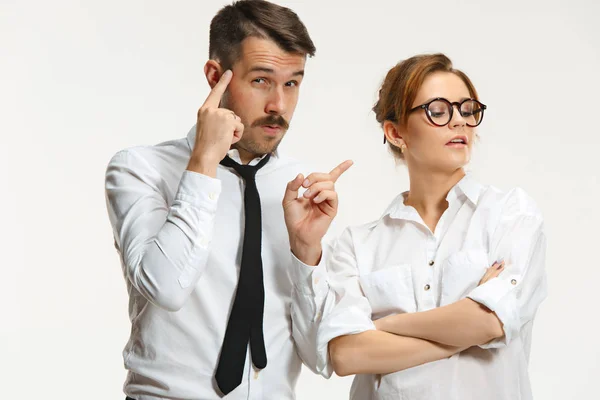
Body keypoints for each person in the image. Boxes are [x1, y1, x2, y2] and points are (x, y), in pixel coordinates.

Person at [104, 1, 350, 398]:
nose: (279, 106)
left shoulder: (301, 188)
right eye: (261, 81)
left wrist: (307, 253)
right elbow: (165, 287)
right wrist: (203, 162)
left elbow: (320, 357)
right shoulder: (141, 169)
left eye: (292, 83)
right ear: (215, 76)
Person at [291, 53, 547, 400]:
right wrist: (464, 332)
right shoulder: (359, 245)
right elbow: (346, 355)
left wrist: (384, 327)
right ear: (396, 132)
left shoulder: (509, 214)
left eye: (468, 109)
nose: (459, 122)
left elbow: (490, 323)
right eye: (438, 111)